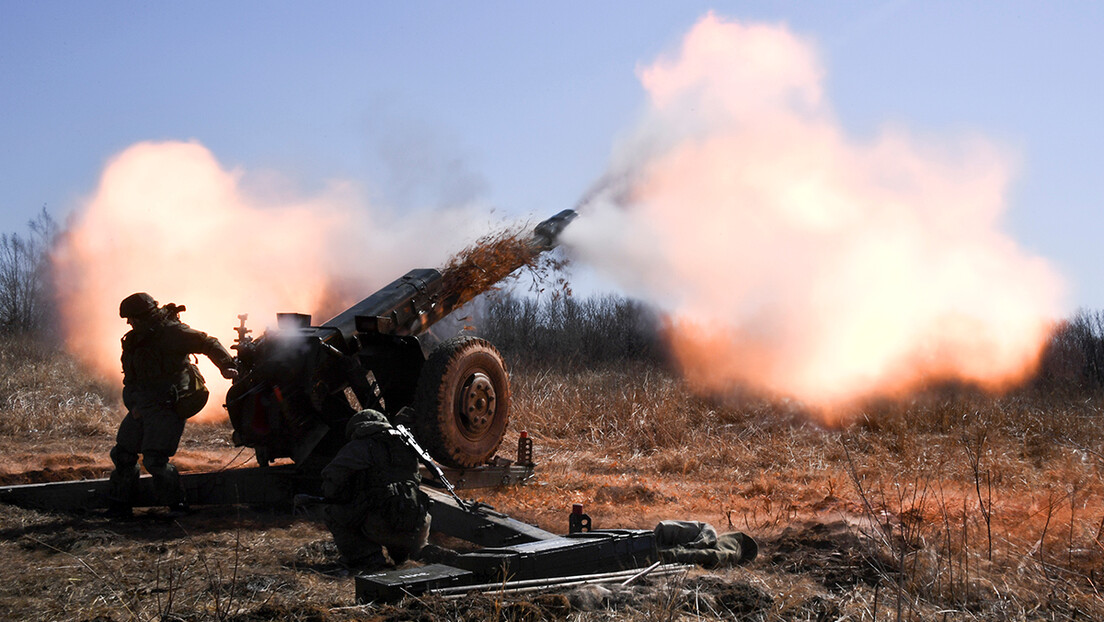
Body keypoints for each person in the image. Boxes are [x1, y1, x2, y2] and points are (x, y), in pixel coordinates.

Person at [107, 292, 238, 517]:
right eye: (129, 320)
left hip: (167, 405)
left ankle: (176, 505)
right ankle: (121, 505)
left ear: (146, 315)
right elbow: (130, 380)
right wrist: (133, 405)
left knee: (155, 460)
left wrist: (225, 365)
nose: (131, 324)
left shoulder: (172, 333)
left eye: (134, 319)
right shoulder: (132, 342)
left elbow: (208, 342)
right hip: (142, 406)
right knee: (123, 454)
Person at [321, 409, 431, 571]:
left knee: (331, 511)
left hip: (380, 526)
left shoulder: (358, 447)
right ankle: (411, 555)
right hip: (417, 525)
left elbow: (331, 484)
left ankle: (368, 558)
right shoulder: (406, 445)